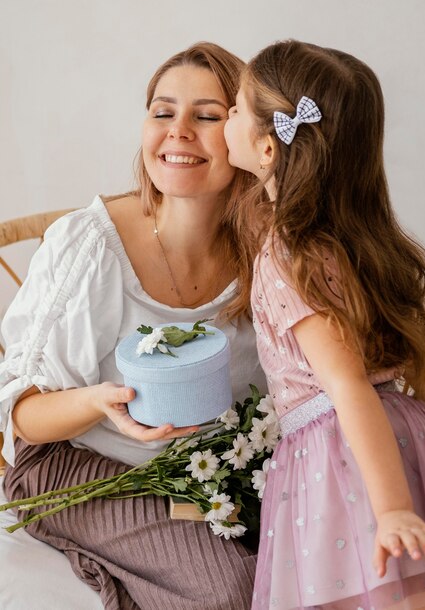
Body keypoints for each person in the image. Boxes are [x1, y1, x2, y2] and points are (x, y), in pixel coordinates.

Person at [0, 42, 267, 610]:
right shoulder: (91, 247)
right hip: (72, 464)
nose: (179, 131)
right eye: (163, 112)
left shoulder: (271, 252)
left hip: (215, 473)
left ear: (247, 135)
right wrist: (99, 403)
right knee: (233, 586)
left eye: (208, 115)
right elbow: (22, 415)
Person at [224, 39, 425, 609]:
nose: (225, 115)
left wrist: (392, 506)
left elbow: (346, 383)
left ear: (267, 148)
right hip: (409, 435)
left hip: (344, 455)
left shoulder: (287, 253)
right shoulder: (362, 242)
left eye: (233, 109)